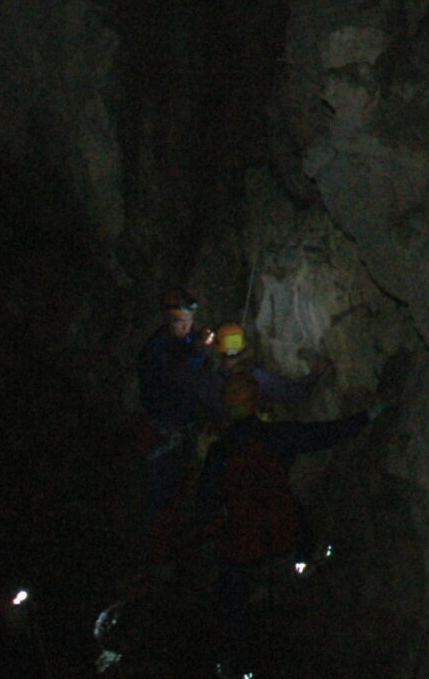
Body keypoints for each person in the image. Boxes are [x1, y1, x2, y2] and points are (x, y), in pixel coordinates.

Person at [198, 371, 373, 679]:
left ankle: (239, 666)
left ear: (227, 406)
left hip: (244, 546)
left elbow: (207, 509)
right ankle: (311, 564)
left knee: (228, 597)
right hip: (286, 535)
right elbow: (327, 434)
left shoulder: (220, 453)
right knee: (291, 503)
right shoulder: (279, 436)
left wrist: (209, 539)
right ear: (256, 402)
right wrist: (369, 415)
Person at [134, 287, 209, 546]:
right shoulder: (158, 350)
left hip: (181, 428)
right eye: (180, 322)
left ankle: (168, 545)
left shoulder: (182, 341)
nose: (186, 327)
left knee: (177, 491)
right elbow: (176, 378)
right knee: (159, 493)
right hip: (162, 431)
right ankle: (148, 549)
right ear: (170, 321)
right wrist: (197, 352)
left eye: (189, 322)